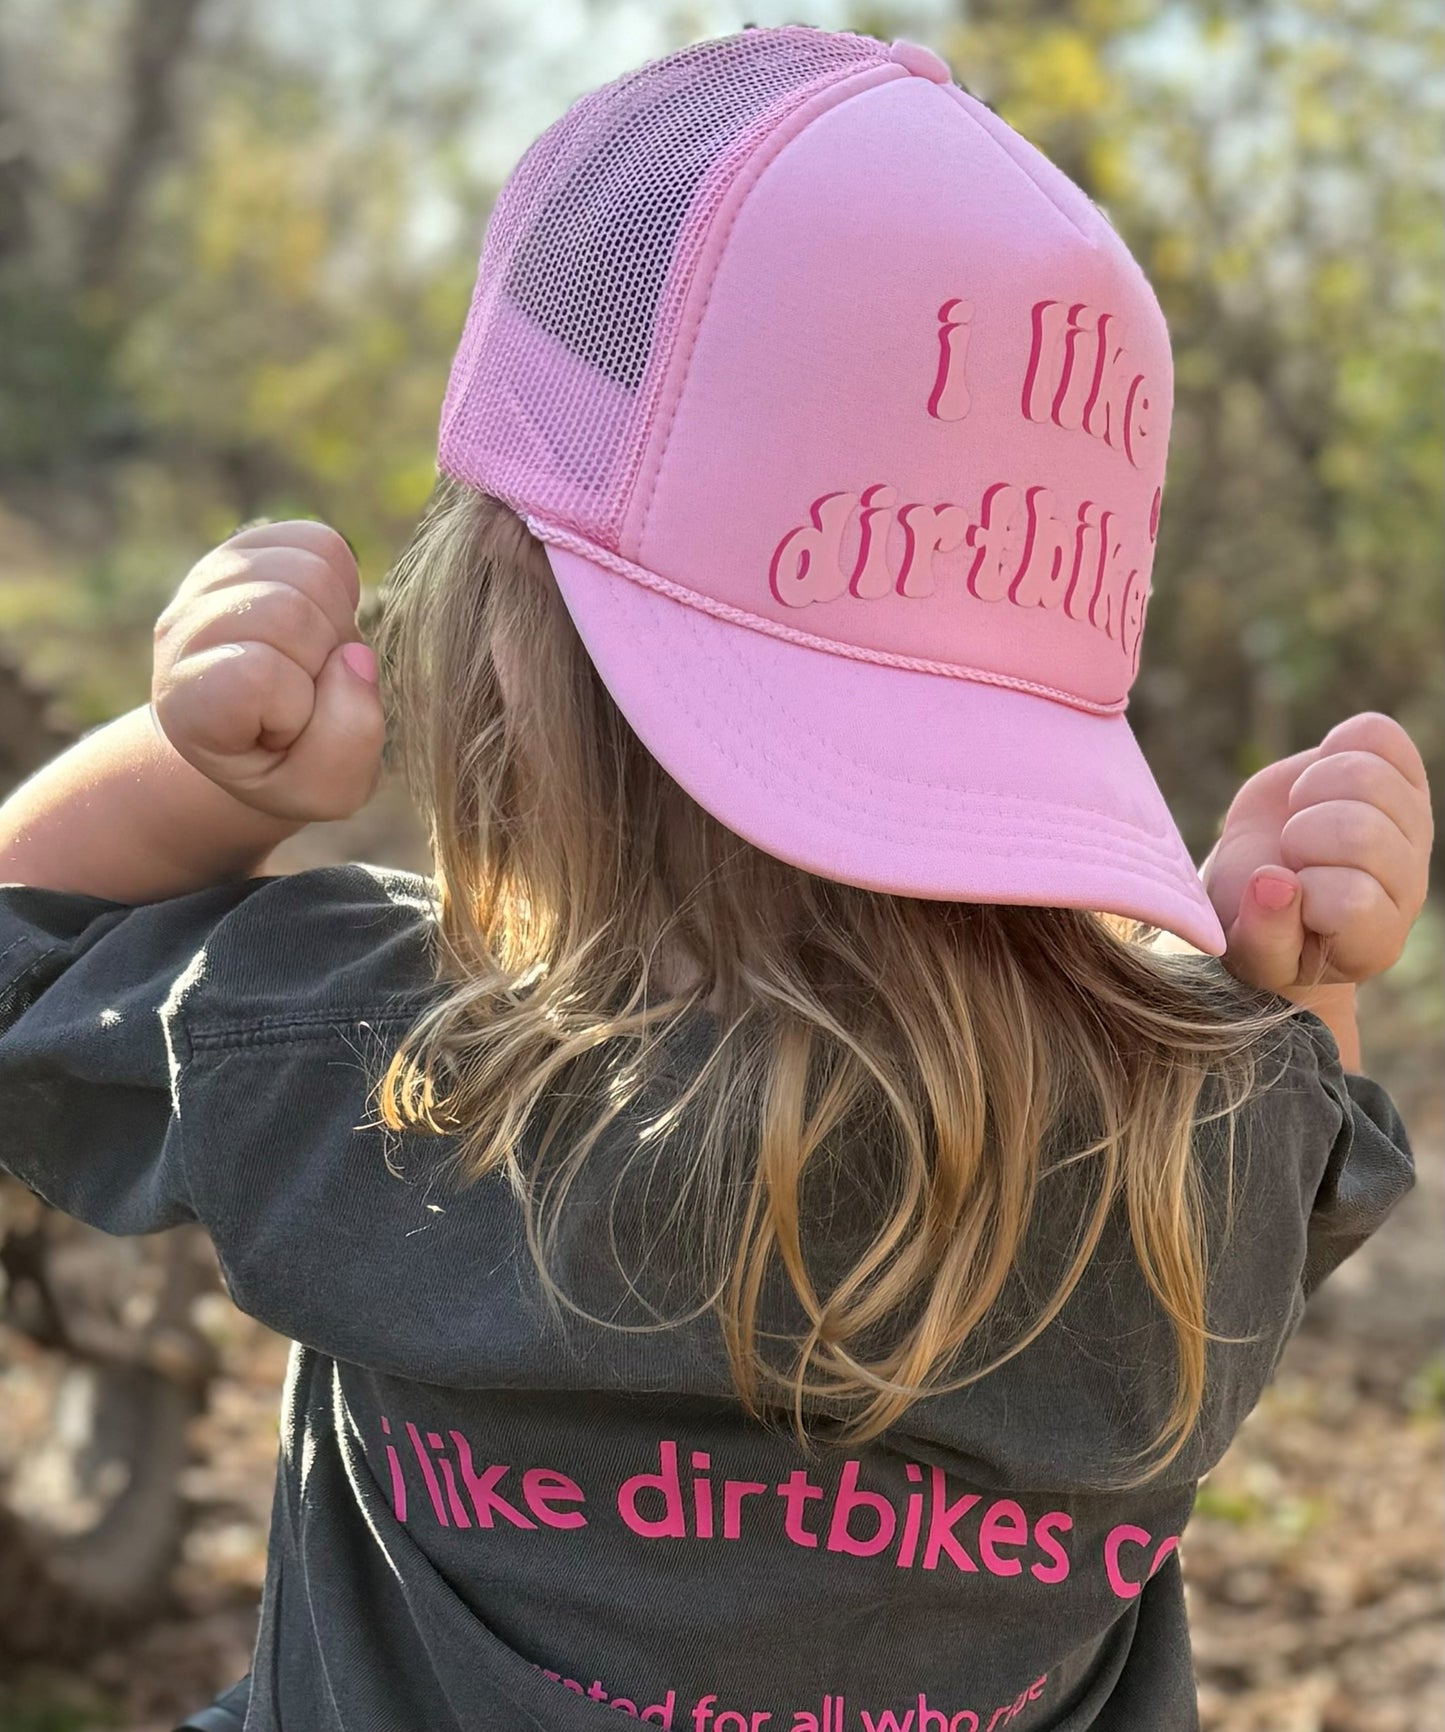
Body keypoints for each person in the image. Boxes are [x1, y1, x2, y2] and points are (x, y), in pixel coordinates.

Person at [0, 26, 1430, 1732]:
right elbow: (1291, 1198)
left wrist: (201, 773)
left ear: (501, 642)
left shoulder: (368, 1065)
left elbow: (24, 962)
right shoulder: (1197, 1140)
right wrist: (1287, 983)